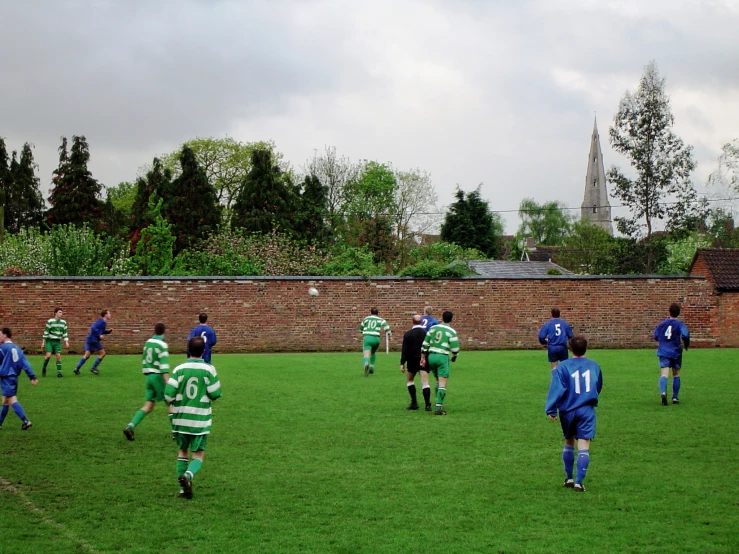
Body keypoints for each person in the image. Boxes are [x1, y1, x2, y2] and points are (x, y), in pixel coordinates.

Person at [164, 336, 222, 499]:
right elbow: (216, 393)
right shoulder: (209, 369)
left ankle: (183, 491)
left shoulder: (179, 369)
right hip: (200, 420)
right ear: (204, 351)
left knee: (182, 452)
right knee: (198, 455)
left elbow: (168, 395)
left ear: (187, 350)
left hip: (181, 419)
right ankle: (188, 476)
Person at [545, 335, 603, 492]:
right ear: (586, 348)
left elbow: (556, 388)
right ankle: (579, 482)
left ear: (570, 349)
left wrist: (550, 408)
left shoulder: (563, 367)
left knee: (569, 442)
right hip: (586, 409)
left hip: (567, 410)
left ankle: (569, 478)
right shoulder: (594, 366)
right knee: (583, 445)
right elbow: (598, 386)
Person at [123, 323, 171, 441]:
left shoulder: (148, 342)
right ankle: (177, 433)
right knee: (171, 403)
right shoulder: (162, 345)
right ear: (164, 332)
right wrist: (168, 382)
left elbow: (144, 359)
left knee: (148, 406)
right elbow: (164, 366)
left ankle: (131, 426)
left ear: (154, 331)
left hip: (148, 377)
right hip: (157, 377)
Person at [420, 310, 459, 415]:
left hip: (431, 356)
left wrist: (423, 357)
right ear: (451, 319)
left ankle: (438, 402)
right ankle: (438, 408)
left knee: (437, 380)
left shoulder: (433, 328)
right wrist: (454, 356)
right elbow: (455, 349)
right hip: (442, 356)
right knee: (443, 383)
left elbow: (425, 343)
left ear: (441, 318)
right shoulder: (451, 331)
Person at [0, 328, 38, 431]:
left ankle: (26, 421)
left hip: (6, 377)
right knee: (5, 401)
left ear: (5, 335)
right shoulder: (17, 348)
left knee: (11, 399)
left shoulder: (2, 348)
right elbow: (25, 364)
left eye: (0, 334)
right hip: (14, 378)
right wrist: (32, 376)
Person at [654, 303, 690, 406]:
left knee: (664, 374)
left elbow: (656, 335)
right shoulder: (680, 324)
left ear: (669, 312)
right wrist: (686, 343)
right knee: (676, 374)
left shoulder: (662, 324)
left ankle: (663, 392)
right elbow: (685, 334)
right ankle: (675, 397)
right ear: (678, 313)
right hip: (676, 352)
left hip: (664, 351)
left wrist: (663, 341)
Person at [400, 314, 430, 411]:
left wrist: (402, 363)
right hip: (423, 359)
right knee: (425, 382)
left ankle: (414, 403)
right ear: (421, 322)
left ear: (412, 322)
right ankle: (427, 405)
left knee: (410, 380)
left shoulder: (408, 334)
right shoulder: (426, 333)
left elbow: (404, 350)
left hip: (412, 360)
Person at [74, 310, 112, 375]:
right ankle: (93, 368)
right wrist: (99, 335)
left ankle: (77, 368)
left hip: (90, 339)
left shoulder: (103, 322)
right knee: (103, 353)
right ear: (105, 315)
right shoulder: (102, 322)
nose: (110, 314)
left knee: (87, 355)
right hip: (93, 339)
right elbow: (93, 328)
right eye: (109, 313)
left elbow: (100, 330)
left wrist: (108, 332)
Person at [359, 308, 391, 376]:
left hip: (367, 338)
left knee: (366, 354)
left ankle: (366, 364)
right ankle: (371, 367)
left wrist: (363, 332)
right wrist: (390, 336)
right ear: (377, 313)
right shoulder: (381, 319)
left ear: (371, 312)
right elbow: (387, 328)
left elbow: (361, 328)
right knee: (373, 352)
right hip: (376, 339)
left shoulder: (366, 319)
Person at [41, 307, 69, 378]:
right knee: (48, 356)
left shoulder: (63, 322)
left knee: (58, 356)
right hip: (50, 341)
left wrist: (66, 341)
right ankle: (44, 368)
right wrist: (43, 342)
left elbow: (64, 333)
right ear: (55, 313)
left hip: (57, 341)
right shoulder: (50, 321)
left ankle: (59, 373)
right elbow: (46, 332)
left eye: (61, 312)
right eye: (59, 312)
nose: (61, 314)